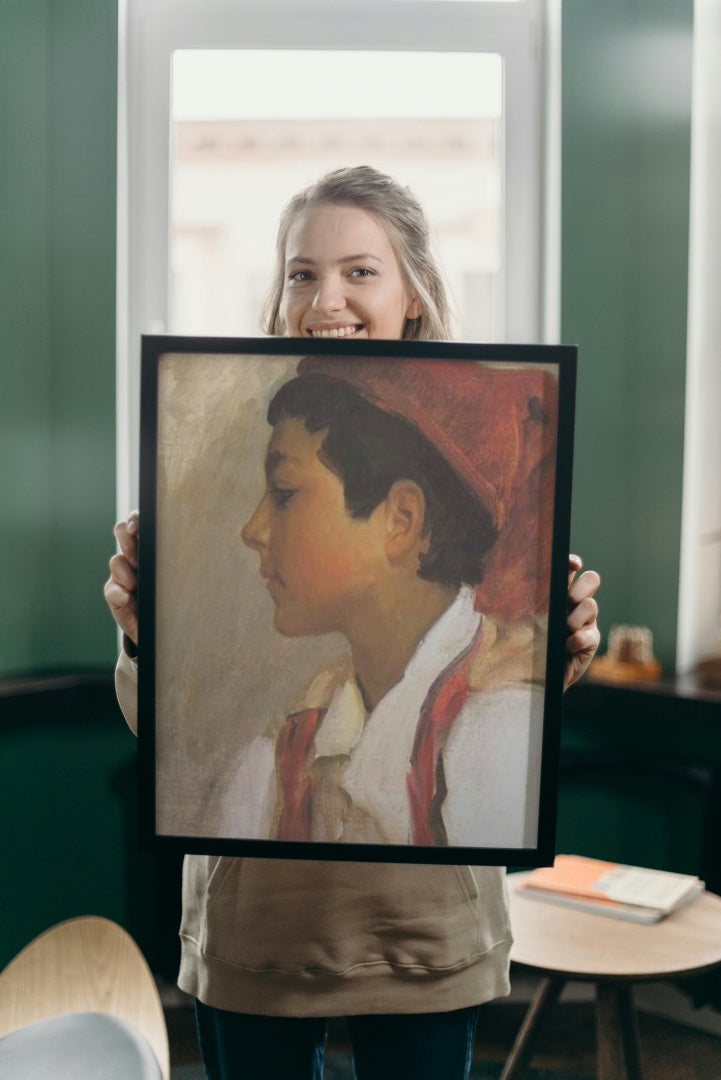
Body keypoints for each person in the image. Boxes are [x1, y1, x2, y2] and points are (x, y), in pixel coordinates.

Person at [105, 166, 601, 1080]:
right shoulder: (276, 750)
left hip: (419, 940)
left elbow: (512, 757)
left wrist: (559, 656)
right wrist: (143, 633)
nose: (323, 297)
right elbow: (166, 741)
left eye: (358, 272)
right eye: (300, 273)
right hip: (257, 935)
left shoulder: (483, 713)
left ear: (412, 292)